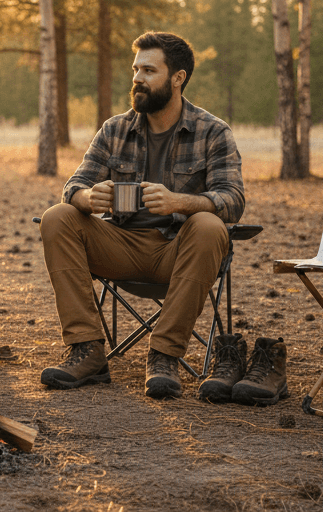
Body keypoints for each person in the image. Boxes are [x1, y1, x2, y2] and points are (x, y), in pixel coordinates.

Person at [38, 31, 245, 398]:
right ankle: (87, 351)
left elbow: (233, 199)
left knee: (211, 225)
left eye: (149, 70)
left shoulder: (213, 132)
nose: (137, 78)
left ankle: (164, 355)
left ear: (177, 78)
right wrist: (89, 198)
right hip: (120, 246)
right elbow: (74, 186)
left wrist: (179, 202)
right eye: (135, 70)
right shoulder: (115, 129)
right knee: (58, 216)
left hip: (179, 252)